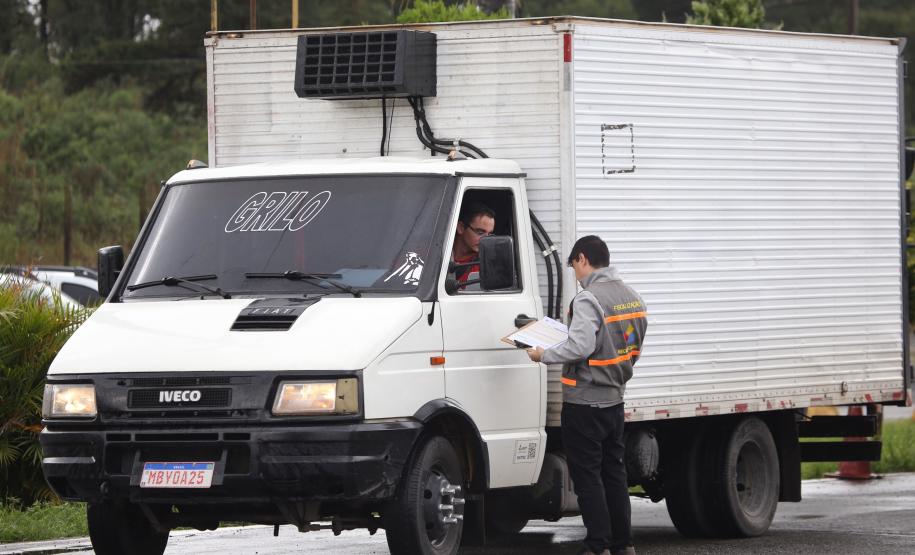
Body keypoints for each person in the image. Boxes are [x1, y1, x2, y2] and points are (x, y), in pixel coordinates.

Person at [527, 235, 646, 555]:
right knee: (614, 475)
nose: (576, 277)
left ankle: (598, 545)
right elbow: (631, 346)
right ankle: (624, 543)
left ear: (582, 259)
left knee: (588, 477)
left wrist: (543, 354)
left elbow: (580, 346)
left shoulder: (588, 299)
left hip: (584, 403)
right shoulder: (631, 296)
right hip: (614, 400)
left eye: (574, 268)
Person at [450, 201, 495, 284]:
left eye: (489, 235)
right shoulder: (436, 256)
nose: (486, 240)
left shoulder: (486, 265)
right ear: (461, 228)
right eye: (480, 232)